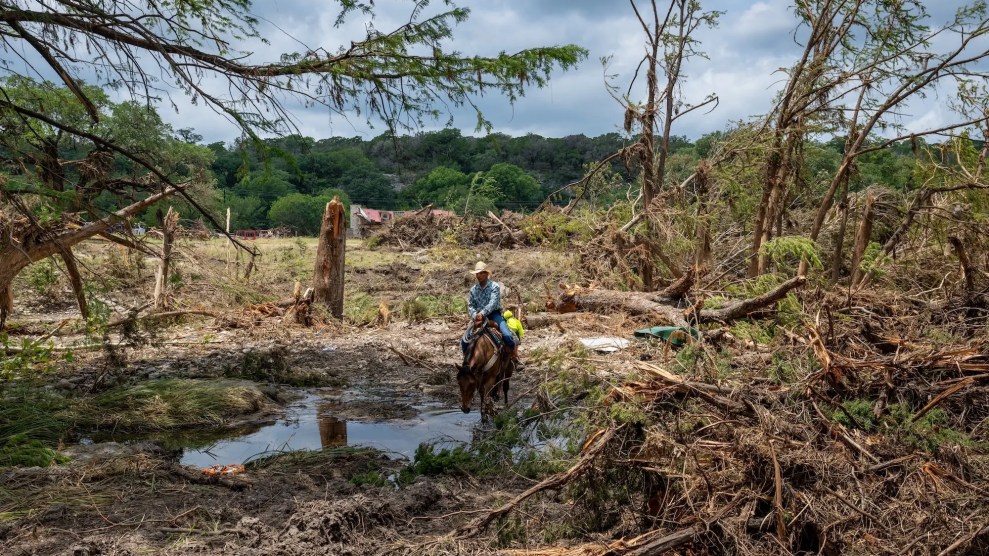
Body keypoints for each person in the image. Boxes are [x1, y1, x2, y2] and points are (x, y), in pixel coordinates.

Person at [463, 261, 515, 358]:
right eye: (477, 273)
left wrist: (482, 313)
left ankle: (513, 357)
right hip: (478, 317)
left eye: (482, 273)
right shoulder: (473, 289)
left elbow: (493, 303)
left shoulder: (494, 286)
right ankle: (466, 362)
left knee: (507, 335)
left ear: (487, 274)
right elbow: (471, 305)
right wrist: (475, 315)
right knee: (464, 340)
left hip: (494, 315)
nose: (479, 275)